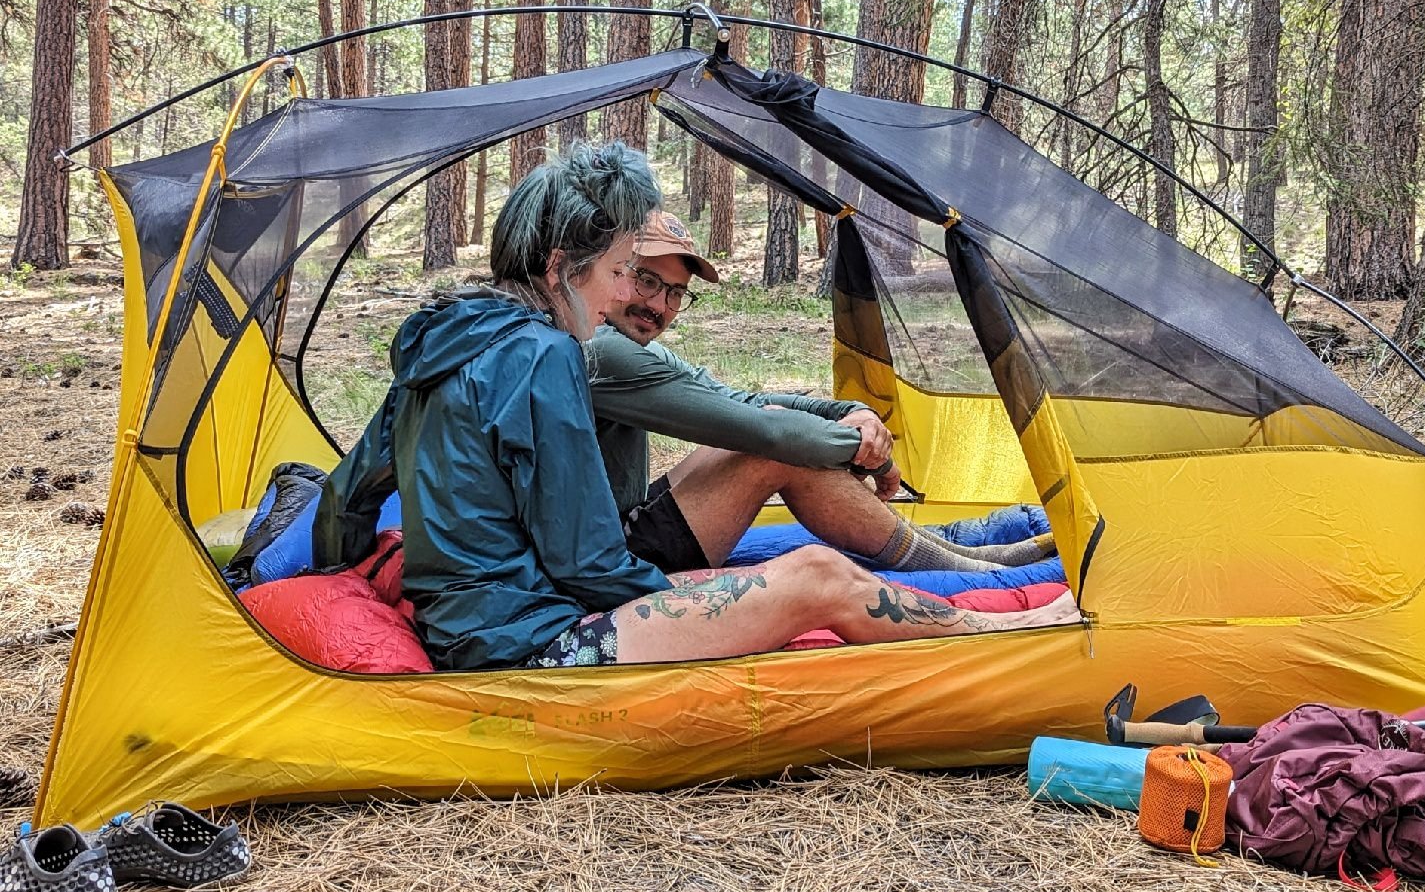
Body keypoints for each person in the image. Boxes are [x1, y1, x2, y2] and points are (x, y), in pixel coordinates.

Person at [317, 142, 1075, 673]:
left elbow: (348, 493)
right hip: (529, 639)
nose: (623, 293)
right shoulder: (544, 353)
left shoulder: (445, 336)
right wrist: (714, 602)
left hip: (476, 625)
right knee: (814, 577)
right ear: (558, 268)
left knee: (803, 572)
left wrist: (331, 568)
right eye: (620, 271)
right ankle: (1004, 631)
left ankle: (989, 608)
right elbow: (590, 567)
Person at [587, 210, 1057, 574]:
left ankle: (957, 553)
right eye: (646, 280)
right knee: (776, 450)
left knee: (771, 428)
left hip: (615, 527)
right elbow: (769, 434)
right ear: (612, 271)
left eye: (674, 292)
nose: (658, 305)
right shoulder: (601, 349)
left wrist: (844, 411)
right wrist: (864, 450)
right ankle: (966, 569)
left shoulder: (621, 343)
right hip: (612, 565)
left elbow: (738, 404)